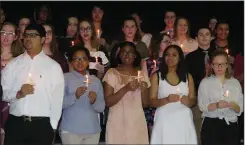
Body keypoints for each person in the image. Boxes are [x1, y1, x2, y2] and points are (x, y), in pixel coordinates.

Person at [1, 23, 65, 145]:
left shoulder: (53, 67)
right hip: (16, 124)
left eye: (33, 35)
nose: (28, 38)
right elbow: (3, 92)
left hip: (41, 126)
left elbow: (57, 99)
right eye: (26, 35)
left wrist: (53, 127)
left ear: (42, 39)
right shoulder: (13, 64)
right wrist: (18, 93)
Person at [103, 41, 150, 144]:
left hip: (136, 123)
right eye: (124, 52)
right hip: (117, 123)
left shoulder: (142, 75)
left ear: (135, 56)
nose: (127, 55)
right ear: (119, 55)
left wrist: (144, 89)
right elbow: (108, 102)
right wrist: (126, 88)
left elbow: (146, 104)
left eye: (130, 52)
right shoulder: (111, 73)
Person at [150, 45, 197, 144]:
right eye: (167, 55)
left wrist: (189, 101)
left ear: (180, 58)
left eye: (174, 55)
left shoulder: (188, 77)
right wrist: (166, 100)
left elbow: (193, 100)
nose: (170, 57)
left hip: (183, 121)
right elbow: (152, 101)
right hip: (164, 122)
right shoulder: (156, 76)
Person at [60, 45, 105, 144]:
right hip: (70, 130)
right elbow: (59, 104)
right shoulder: (65, 78)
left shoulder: (96, 81)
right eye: (76, 59)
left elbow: (101, 108)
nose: (80, 62)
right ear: (71, 62)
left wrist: (94, 101)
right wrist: (74, 96)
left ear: (88, 61)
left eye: (83, 59)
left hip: (92, 130)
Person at [198, 50, 243, 145]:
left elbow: (240, 108)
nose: (219, 67)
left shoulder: (234, 83)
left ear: (227, 65)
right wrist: (217, 105)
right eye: (216, 64)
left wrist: (233, 106)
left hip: (230, 125)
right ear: (212, 65)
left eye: (222, 64)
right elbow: (202, 106)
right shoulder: (205, 83)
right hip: (211, 125)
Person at [185, 27, 215, 143]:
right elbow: (188, 78)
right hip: (198, 98)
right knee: (197, 129)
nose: (204, 37)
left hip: (216, 97)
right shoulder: (190, 57)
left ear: (211, 37)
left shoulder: (218, 55)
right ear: (196, 38)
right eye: (201, 34)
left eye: (207, 34)